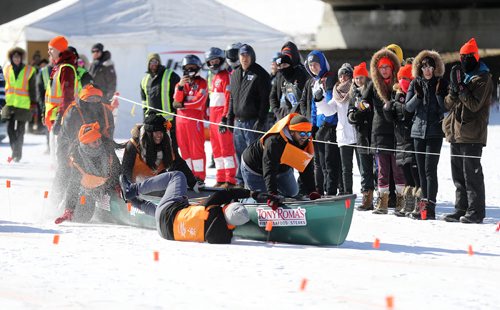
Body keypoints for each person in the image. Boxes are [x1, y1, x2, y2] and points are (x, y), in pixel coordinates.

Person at [119, 171, 251, 244]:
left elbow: (224, 193)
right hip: (165, 232)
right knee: (168, 215)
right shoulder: (224, 237)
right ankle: (134, 202)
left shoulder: (212, 209)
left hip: (167, 212)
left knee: (177, 176)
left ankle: (132, 190)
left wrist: (249, 193)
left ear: (226, 208)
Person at [443, 38, 493, 224]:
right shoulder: (463, 76)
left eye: (468, 57)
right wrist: (454, 91)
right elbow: (448, 104)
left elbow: (474, 105)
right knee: (458, 175)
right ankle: (460, 208)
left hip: (473, 134)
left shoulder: (483, 78)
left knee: (471, 174)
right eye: (462, 57)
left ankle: (476, 211)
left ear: (475, 57)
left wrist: (462, 89)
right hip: (456, 133)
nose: (464, 60)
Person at [405, 51, 448, 220]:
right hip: (417, 132)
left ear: (435, 68)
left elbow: (445, 108)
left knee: (430, 170)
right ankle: (422, 207)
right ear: (420, 69)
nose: (428, 70)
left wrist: (438, 95)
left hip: (434, 133)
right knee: (421, 171)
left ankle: (431, 207)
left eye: (430, 66)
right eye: (424, 67)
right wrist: (418, 96)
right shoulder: (415, 83)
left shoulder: (441, 82)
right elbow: (408, 107)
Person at [363, 47, 405, 214]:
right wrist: (361, 107)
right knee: (382, 170)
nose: (384, 70)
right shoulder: (373, 84)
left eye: (387, 67)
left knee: (397, 169)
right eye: (381, 68)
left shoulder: (398, 84)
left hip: (396, 131)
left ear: (393, 68)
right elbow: (363, 101)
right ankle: (382, 202)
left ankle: (401, 200)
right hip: (379, 131)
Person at [241, 113, 320, 200]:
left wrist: (312, 191)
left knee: (293, 192)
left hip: (281, 167)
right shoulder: (274, 141)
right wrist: (272, 194)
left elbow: (306, 167)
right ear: (292, 132)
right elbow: (269, 168)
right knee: (261, 198)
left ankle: (281, 200)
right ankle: (243, 202)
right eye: (301, 134)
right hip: (255, 167)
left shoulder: (305, 141)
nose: (305, 137)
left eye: (308, 134)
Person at [54, 122, 121, 224]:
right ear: (86, 144)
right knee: (82, 218)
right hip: (85, 192)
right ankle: (67, 209)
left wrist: (118, 185)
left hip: (106, 188)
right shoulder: (79, 158)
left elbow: (117, 170)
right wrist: (69, 209)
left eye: (99, 140)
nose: (98, 144)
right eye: (94, 142)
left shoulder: (108, 151)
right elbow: (73, 185)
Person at [226, 44, 271, 187]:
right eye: (242, 56)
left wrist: (261, 120)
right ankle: (241, 183)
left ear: (252, 57)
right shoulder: (235, 74)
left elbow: (266, 100)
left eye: (247, 56)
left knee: (252, 155)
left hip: (253, 122)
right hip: (239, 122)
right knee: (239, 153)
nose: (244, 59)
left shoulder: (260, 74)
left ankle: (255, 185)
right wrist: (229, 117)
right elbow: (232, 98)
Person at [121, 114, 201, 191]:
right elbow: (125, 172)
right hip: (136, 189)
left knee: (177, 175)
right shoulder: (133, 146)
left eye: (161, 132)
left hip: (156, 188)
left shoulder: (166, 144)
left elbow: (179, 163)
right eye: (156, 132)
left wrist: (192, 182)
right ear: (149, 133)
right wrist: (128, 191)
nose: (159, 135)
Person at [299, 50, 341, 196]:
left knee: (329, 163)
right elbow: (313, 107)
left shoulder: (329, 79)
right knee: (318, 162)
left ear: (322, 64)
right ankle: (318, 190)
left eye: (316, 64)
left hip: (329, 126)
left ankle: (330, 191)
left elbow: (330, 105)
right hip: (318, 128)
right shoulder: (315, 82)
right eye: (310, 65)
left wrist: (325, 124)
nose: (313, 67)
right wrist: (312, 125)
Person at [384, 62, 421, 217]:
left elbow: (408, 115)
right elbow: (392, 119)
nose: (403, 81)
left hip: (412, 139)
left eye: (406, 78)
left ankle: (419, 203)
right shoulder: (396, 95)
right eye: (401, 78)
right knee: (406, 173)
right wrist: (388, 109)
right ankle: (409, 202)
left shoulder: (414, 95)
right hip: (400, 140)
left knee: (415, 173)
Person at [204, 47, 237, 188]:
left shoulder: (225, 76)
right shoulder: (214, 77)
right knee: (216, 150)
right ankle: (220, 178)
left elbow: (228, 99)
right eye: (211, 61)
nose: (214, 64)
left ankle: (230, 179)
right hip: (213, 120)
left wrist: (225, 118)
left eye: (216, 60)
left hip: (222, 120)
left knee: (226, 150)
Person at [173, 54, 208, 183]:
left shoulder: (202, 83)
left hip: (195, 121)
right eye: (188, 67)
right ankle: (188, 177)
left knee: (197, 151)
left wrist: (182, 105)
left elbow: (198, 102)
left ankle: (199, 178)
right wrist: (181, 87)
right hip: (181, 121)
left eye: (193, 67)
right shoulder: (180, 84)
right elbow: (176, 100)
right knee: (184, 151)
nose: (190, 69)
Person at [44, 35, 78, 164]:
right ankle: (58, 181)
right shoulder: (58, 67)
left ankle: (62, 182)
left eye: (51, 49)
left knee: (61, 155)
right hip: (54, 117)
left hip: (63, 118)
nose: (49, 52)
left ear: (60, 50)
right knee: (55, 155)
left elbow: (67, 97)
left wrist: (59, 117)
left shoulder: (66, 69)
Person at [327, 63, 358, 195]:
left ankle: (367, 192)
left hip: (357, 133)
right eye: (341, 75)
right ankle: (347, 192)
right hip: (343, 134)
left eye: (346, 75)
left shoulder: (356, 90)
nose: (343, 78)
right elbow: (328, 111)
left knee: (364, 168)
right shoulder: (336, 94)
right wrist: (319, 100)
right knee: (346, 168)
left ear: (351, 76)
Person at [1, 47, 36, 162]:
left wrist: (33, 103)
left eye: (18, 57)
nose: (16, 59)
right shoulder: (6, 70)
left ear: (21, 58)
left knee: (20, 131)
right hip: (10, 104)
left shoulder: (29, 70)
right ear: (11, 58)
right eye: (14, 57)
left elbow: (32, 88)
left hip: (23, 104)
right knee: (10, 129)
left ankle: (17, 154)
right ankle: (15, 151)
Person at [348, 62, 375, 210]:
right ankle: (367, 197)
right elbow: (350, 115)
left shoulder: (371, 90)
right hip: (361, 135)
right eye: (356, 78)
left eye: (361, 77)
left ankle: (385, 196)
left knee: (378, 168)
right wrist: (356, 113)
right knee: (364, 169)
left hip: (374, 133)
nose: (359, 80)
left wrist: (360, 112)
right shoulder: (353, 94)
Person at [140, 53, 181, 151]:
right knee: (153, 148)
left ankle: (173, 166)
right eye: (151, 62)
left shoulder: (170, 75)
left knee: (170, 147)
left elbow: (179, 96)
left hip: (168, 121)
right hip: (152, 121)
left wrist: (176, 115)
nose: (153, 64)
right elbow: (144, 102)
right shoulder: (144, 80)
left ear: (159, 62)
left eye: (155, 61)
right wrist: (145, 119)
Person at [269, 41, 308, 121]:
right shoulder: (280, 74)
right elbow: (273, 95)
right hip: (282, 117)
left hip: (298, 118)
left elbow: (305, 98)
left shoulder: (302, 73)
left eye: (288, 56)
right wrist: (276, 111)